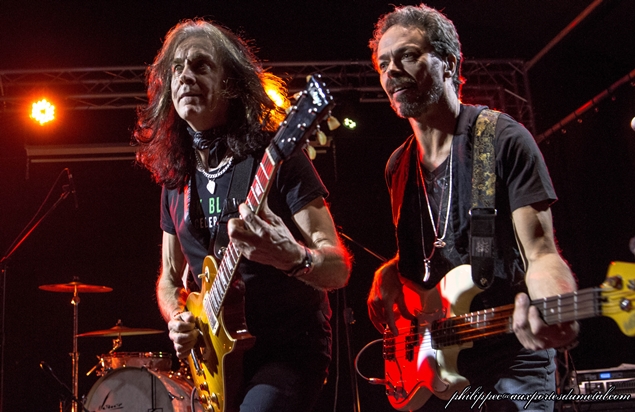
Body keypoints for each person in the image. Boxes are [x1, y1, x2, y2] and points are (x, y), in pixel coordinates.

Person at [366, 4, 578, 412]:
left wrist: (556, 305)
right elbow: (432, 254)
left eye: (407, 55)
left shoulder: (501, 139)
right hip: (435, 363)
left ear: (449, 63)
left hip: (511, 354)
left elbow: (540, 252)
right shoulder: (398, 165)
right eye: (383, 63)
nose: (391, 71)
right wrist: (389, 270)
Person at [133, 19, 351, 412]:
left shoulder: (274, 158)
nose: (185, 76)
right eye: (177, 68)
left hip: (286, 351)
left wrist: (292, 257)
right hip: (217, 364)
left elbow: (337, 269)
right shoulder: (176, 178)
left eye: (201, 65)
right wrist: (178, 318)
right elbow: (169, 279)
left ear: (231, 84)